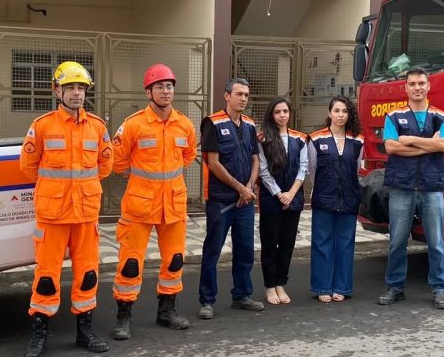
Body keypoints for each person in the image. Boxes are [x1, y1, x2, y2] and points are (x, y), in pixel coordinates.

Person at [20, 60, 113, 357]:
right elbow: (28, 167)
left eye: (81, 88)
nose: (76, 93)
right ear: (56, 90)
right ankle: (39, 333)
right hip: (53, 216)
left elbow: (105, 165)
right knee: (46, 277)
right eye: (70, 87)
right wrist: (57, 191)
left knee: (87, 275)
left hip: (85, 215)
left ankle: (84, 331)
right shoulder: (43, 125)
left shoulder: (98, 126)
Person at [110, 64, 198, 340]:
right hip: (140, 205)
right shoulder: (134, 124)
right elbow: (117, 160)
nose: (165, 91)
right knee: (130, 263)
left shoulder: (184, 123)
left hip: (172, 205)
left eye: (169, 86)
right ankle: (124, 316)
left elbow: (188, 156)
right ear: (149, 92)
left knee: (174, 261)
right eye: (159, 86)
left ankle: (167, 311)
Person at [377, 67, 444, 309]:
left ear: (428, 86)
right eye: (412, 84)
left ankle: (440, 288)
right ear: (405, 88)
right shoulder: (394, 117)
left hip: (431, 187)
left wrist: (409, 140)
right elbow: (390, 147)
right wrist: (429, 145)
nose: (417, 87)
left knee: (436, 242)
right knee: (397, 241)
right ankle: (395, 287)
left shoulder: (442, 116)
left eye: (421, 83)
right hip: (402, 186)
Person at [197, 78, 263, 318]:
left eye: (246, 94)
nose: (243, 98)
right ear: (227, 96)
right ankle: (207, 300)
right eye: (238, 94)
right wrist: (240, 189)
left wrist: (249, 188)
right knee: (213, 250)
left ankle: (242, 295)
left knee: (245, 249)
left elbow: (255, 159)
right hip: (220, 200)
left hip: (245, 202)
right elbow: (213, 163)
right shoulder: (212, 123)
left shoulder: (249, 125)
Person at [307, 96, 363, 302]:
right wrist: (322, 188)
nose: (340, 115)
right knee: (322, 243)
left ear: (349, 115)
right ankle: (322, 287)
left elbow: (356, 169)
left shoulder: (358, 140)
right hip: (324, 197)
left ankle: (342, 287)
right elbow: (312, 170)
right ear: (329, 113)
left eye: (345, 111)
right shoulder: (315, 139)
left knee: (345, 243)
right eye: (337, 111)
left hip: (349, 198)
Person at [257, 97, 308, 305]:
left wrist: (291, 194)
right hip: (271, 199)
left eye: (285, 111)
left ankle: (280, 284)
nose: (282, 115)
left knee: (287, 244)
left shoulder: (300, 139)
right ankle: (270, 286)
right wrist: (280, 194)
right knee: (270, 244)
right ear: (272, 114)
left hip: (294, 198)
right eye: (278, 112)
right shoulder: (263, 139)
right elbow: (263, 171)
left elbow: (303, 169)